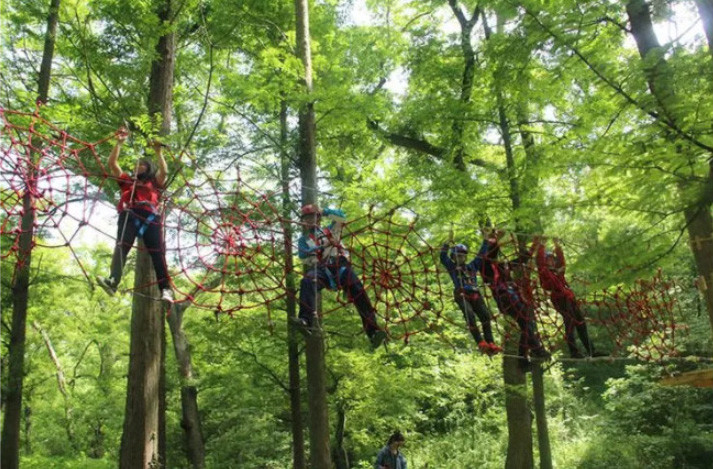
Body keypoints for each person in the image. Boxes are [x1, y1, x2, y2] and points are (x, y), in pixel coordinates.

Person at [294, 204, 387, 349]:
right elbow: (302, 254)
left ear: (317, 218)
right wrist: (319, 247)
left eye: (312, 216)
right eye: (306, 218)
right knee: (307, 281)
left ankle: (373, 332)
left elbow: (341, 217)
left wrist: (324, 211)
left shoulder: (331, 230)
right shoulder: (304, 240)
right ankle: (305, 321)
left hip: (340, 266)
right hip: (321, 270)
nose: (309, 220)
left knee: (358, 291)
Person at [97, 128, 173, 303]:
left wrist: (158, 152)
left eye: (142, 165)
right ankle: (113, 281)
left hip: (150, 217)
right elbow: (112, 164)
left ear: (148, 169)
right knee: (121, 246)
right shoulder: (127, 182)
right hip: (129, 215)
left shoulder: (154, 183)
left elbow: (164, 172)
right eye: (136, 165)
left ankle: (166, 290)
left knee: (157, 253)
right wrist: (119, 143)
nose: (137, 167)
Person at [477, 229, 550, 366]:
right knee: (526, 321)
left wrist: (535, 244)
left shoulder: (502, 265)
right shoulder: (485, 266)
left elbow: (523, 258)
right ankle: (538, 350)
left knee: (528, 325)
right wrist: (495, 239)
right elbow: (490, 254)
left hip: (513, 297)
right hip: (505, 298)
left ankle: (522, 360)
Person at [534, 237, 598, 358]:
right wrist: (541, 245)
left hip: (569, 298)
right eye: (549, 259)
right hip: (560, 299)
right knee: (570, 323)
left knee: (581, 323)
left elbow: (562, 262)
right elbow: (539, 261)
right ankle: (574, 352)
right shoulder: (544, 271)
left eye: (553, 259)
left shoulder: (558, 272)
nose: (552, 261)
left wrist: (557, 246)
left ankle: (591, 350)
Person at [440, 242, 501, 355]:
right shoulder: (452, 267)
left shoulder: (472, 266)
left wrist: (486, 240)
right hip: (462, 294)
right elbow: (443, 257)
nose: (460, 258)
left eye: (462, 255)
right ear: (453, 257)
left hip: (475, 294)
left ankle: (490, 342)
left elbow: (481, 255)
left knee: (486, 316)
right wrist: (446, 244)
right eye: (458, 256)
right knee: (470, 315)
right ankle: (480, 342)